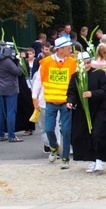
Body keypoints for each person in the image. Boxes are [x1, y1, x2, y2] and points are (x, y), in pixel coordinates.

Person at [66, 52, 106, 172]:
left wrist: (92, 94)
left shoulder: (99, 74)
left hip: (99, 109)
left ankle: (100, 159)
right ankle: (93, 159)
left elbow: (105, 89)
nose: (87, 66)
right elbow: (72, 92)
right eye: (84, 64)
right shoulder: (75, 76)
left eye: (88, 63)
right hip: (83, 110)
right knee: (87, 135)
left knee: (97, 133)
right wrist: (70, 101)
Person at [35, 37, 78, 168]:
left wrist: (73, 99)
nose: (70, 50)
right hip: (50, 101)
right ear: (60, 49)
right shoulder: (46, 62)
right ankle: (54, 147)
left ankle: (65, 158)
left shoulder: (72, 62)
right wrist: (34, 97)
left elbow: (76, 82)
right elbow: (38, 80)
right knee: (48, 129)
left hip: (65, 102)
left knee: (66, 130)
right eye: (68, 48)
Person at [0, 43, 24, 142]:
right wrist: (19, 62)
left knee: (0, 113)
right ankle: (11, 135)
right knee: (11, 112)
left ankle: (0, 134)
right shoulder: (7, 62)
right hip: (11, 89)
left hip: (0, 89)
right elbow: (18, 72)